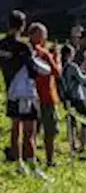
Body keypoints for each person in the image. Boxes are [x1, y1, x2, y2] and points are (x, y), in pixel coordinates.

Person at [1, 10, 42, 174]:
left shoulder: (2, 44)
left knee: (15, 127)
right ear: (23, 25)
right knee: (29, 130)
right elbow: (34, 69)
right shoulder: (24, 46)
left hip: (10, 89)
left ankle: (18, 163)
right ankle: (32, 164)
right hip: (25, 91)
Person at [28, 23, 61, 169]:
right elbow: (57, 72)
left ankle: (30, 158)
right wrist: (57, 57)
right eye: (44, 35)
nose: (45, 38)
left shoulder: (25, 52)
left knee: (31, 131)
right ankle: (50, 160)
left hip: (29, 96)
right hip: (46, 97)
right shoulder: (44, 53)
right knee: (50, 131)